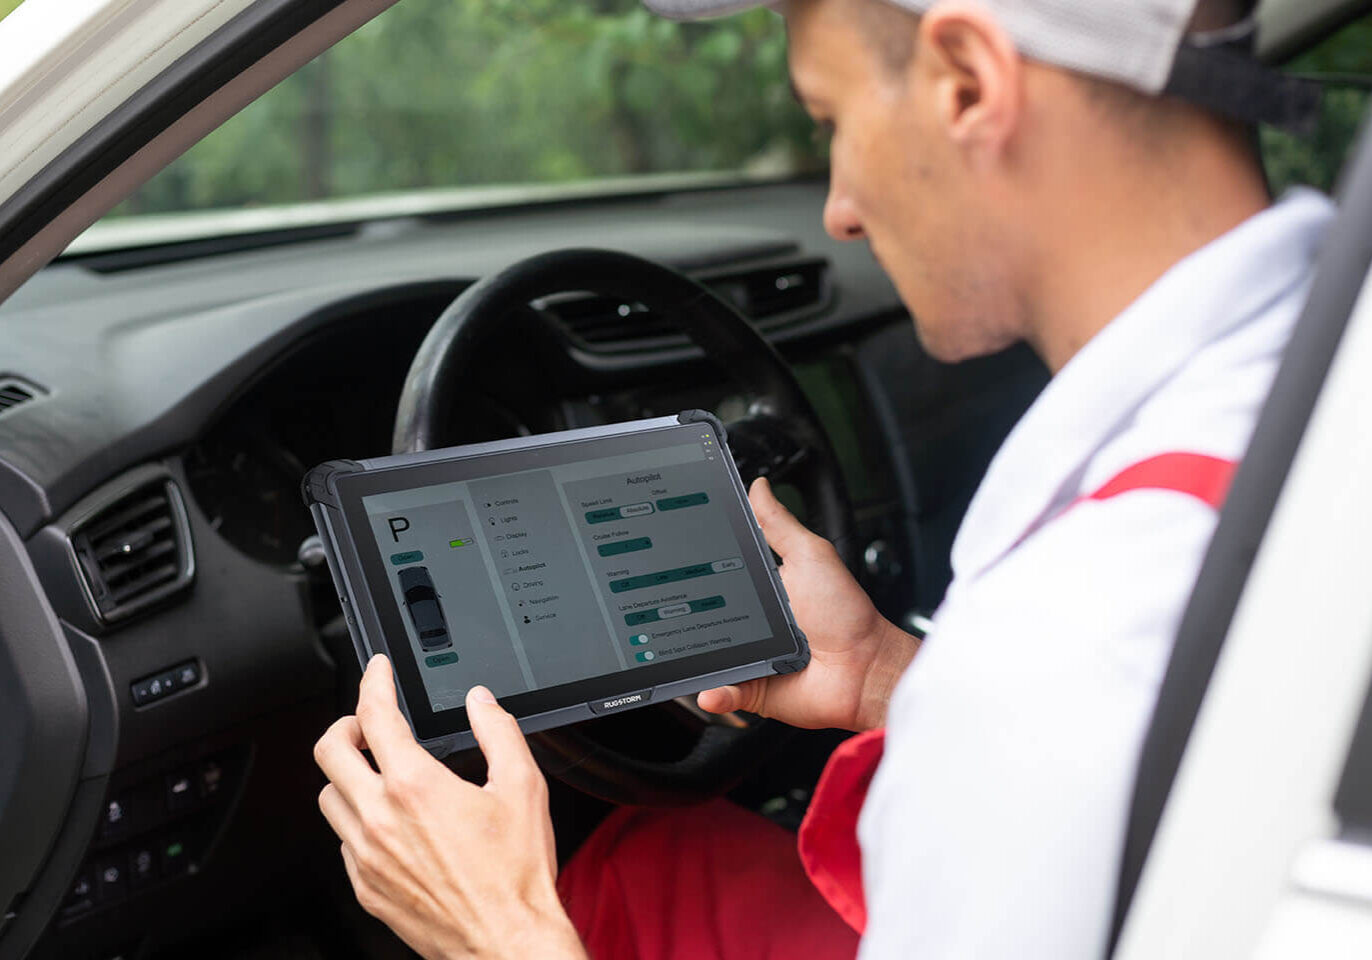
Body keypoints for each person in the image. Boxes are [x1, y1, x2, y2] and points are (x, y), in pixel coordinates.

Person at [311, 0, 1335, 956]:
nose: (840, 209)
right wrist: (888, 680)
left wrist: (503, 926)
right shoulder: (1317, 387)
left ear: (967, 83)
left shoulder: (1052, 663)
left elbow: (1069, 718)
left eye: (832, 117)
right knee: (659, 859)